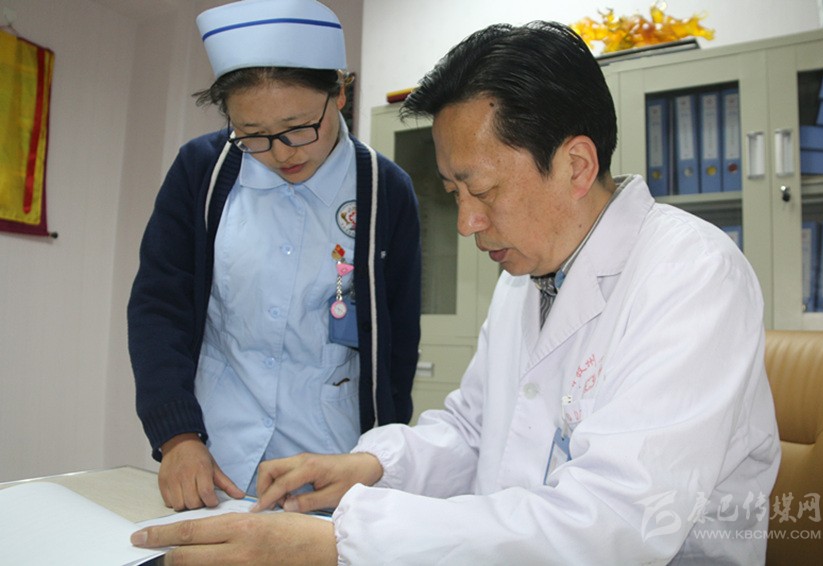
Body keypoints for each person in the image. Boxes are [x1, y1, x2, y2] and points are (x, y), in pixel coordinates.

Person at [131, 20, 781, 564]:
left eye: (483, 190)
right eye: (452, 193)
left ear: (577, 165)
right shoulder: (527, 278)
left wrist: (339, 542)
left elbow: (612, 524)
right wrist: (368, 466)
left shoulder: (691, 276)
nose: (467, 223)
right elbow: (472, 431)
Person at [127, 0, 421, 511]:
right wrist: (177, 436)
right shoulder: (203, 172)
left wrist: (378, 460)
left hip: (329, 464)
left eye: (298, 126)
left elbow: (397, 346)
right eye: (253, 135)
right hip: (213, 459)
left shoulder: (384, 191)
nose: (282, 152)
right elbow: (159, 306)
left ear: (340, 91)